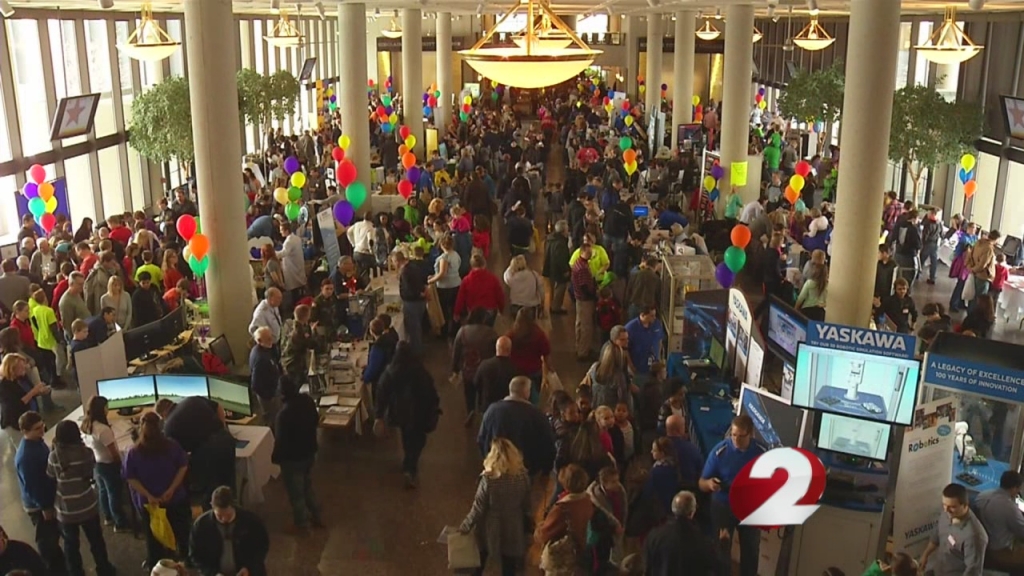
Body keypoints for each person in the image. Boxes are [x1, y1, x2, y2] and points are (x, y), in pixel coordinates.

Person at [699, 414, 767, 576]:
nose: (735, 440)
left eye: (740, 436)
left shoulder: (761, 453)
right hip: (723, 506)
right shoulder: (720, 452)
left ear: (750, 434)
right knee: (722, 550)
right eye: (733, 435)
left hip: (750, 508)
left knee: (750, 551)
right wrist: (709, 484)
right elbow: (701, 483)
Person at [47, 420, 116, 576]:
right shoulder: (86, 453)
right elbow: (90, 472)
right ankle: (104, 568)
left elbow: (50, 475)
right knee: (96, 541)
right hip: (87, 506)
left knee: (71, 545)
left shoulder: (54, 456)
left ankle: (76, 572)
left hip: (65, 509)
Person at [124, 412, 192, 569]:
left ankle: (156, 564)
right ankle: (185, 561)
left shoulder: (133, 452)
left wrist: (148, 495)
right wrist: (172, 489)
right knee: (182, 531)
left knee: (152, 535)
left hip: (150, 504)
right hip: (174, 498)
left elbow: (130, 477)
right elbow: (183, 466)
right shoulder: (172, 446)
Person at [457, 438, 533, 576]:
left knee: (480, 560)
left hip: (490, 526)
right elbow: (526, 504)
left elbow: (478, 508)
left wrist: (466, 525)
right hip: (513, 525)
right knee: (509, 566)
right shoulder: (523, 476)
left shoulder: (489, 479)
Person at [373, 341, 441, 489]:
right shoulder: (419, 370)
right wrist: (434, 406)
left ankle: (408, 463)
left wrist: (379, 415)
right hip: (419, 412)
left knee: (406, 437)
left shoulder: (391, 371)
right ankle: (411, 465)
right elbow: (430, 390)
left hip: (401, 413)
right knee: (419, 440)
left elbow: (381, 392)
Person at [14, 411, 65, 573]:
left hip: (46, 500)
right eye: (37, 429)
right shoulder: (26, 457)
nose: (42, 430)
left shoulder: (36, 442)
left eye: (42, 425)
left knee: (53, 539)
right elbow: (32, 486)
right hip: (40, 507)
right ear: (24, 431)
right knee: (47, 542)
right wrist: (45, 507)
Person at [478, 376, 556, 478]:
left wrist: (489, 460)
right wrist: (545, 471)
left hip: (497, 469)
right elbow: (548, 444)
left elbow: (481, 439)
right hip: (526, 472)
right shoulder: (536, 415)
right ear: (527, 392)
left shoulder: (492, 410)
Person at [272, 375, 322, 533]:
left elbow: (280, 441)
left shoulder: (283, 415)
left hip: (292, 459)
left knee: (296, 494)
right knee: (307, 486)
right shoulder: (307, 401)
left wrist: (275, 458)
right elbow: (316, 420)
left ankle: (302, 524)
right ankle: (316, 515)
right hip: (309, 453)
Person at [189, 486, 270, 576]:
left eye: (228, 515)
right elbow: (195, 556)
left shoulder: (251, 522)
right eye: (219, 515)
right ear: (212, 506)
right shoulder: (201, 526)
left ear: (233, 505)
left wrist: (249, 568)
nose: (224, 519)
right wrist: (212, 574)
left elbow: (261, 548)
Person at [643, 491, 725, 576]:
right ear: (692, 511)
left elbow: (647, 568)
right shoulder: (702, 542)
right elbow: (719, 569)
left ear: (672, 508)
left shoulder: (654, 536)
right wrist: (723, 547)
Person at [534, 464, 594, 574]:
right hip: (579, 551)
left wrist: (539, 528)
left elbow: (546, 533)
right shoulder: (587, 500)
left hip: (562, 556)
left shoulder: (563, 508)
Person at [80, 396, 128, 532]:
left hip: (97, 463)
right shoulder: (103, 430)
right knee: (114, 494)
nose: (108, 409)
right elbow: (113, 453)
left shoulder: (87, 425)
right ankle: (120, 522)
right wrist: (121, 465)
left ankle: (108, 517)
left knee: (103, 491)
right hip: (108, 465)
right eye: (106, 407)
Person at [919, 483, 989, 575]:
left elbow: (972, 571)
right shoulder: (947, 513)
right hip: (939, 570)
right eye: (944, 505)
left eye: (952, 507)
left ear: (965, 505)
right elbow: (936, 536)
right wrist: (925, 554)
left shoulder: (974, 536)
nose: (946, 510)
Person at [452, 308, 498, 426]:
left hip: (468, 369)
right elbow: (497, 352)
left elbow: (456, 351)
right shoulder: (491, 333)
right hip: (486, 370)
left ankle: (470, 411)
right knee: (485, 393)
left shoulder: (462, 331)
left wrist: (455, 369)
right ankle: (484, 416)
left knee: (469, 392)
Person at [973, 470, 1024, 571]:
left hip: (983, 545)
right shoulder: (1010, 508)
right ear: (1014, 488)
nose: (1019, 492)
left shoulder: (982, 496)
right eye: (1019, 489)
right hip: (1000, 551)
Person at [0, 354, 49, 445]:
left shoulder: (22, 378)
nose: (24, 369)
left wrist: (40, 392)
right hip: (15, 423)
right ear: (11, 369)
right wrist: (34, 391)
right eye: (21, 367)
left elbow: (28, 393)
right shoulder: (4, 386)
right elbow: (16, 404)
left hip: (30, 417)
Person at [506, 308, 551, 405]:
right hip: (534, 372)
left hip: (515, 371)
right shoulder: (539, 334)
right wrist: (548, 369)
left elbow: (506, 350)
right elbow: (546, 353)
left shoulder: (512, 334)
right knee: (533, 398)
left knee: (516, 397)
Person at [454, 254, 505, 326]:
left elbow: (460, 297)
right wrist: (501, 308)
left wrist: (457, 312)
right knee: (488, 330)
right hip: (489, 309)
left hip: (473, 310)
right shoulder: (493, 278)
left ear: (471, 265)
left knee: (474, 329)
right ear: (484, 264)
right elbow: (500, 295)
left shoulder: (466, 280)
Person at [427, 233, 462, 338]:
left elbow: (442, 273)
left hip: (445, 287)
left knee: (444, 312)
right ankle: (456, 330)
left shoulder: (444, 257)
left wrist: (431, 280)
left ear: (442, 245)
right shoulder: (456, 255)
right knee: (454, 309)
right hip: (456, 284)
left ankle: (445, 332)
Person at [394, 251, 428, 353]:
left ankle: (416, 354)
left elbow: (409, 289)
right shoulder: (414, 266)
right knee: (417, 328)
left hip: (412, 303)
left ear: (397, 261)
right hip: (420, 302)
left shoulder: (405, 271)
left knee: (413, 330)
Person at [250, 326, 282, 429]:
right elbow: (255, 385)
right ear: (259, 341)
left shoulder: (265, 349)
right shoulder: (261, 359)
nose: (271, 341)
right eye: (268, 339)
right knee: (272, 421)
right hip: (268, 396)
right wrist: (270, 396)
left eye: (271, 337)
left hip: (273, 389)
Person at [572, 244, 598, 361]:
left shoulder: (579, 263)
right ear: (582, 252)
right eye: (589, 252)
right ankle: (583, 353)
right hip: (584, 300)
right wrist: (593, 296)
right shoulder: (582, 268)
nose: (591, 254)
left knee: (580, 324)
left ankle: (580, 347)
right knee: (586, 327)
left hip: (579, 299)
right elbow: (584, 286)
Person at [281, 303, 318, 384]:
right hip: (294, 364)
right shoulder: (299, 332)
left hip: (287, 362)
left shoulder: (288, 324)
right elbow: (310, 344)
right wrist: (313, 332)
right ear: (306, 316)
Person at [543, 220, 572, 315]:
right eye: (567, 229)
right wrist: (565, 270)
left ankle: (552, 304)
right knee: (560, 288)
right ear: (563, 231)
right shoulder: (560, 243)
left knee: (552, 288)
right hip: (558, 270)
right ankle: (556, 307)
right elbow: (560, 258)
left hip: (550, 267)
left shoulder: (551, 238)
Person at [277, 221, 306, 304]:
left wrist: (273, 253)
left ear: (286, 231)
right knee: (298, 285)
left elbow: (284, 253)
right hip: (297, 265)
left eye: (281, 230)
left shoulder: (289, 241)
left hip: (292, 267)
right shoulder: (296, 238)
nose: (280, 232)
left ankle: (295, 304)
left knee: (294, 289)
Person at [625, 257, 661, 322]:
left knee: (632, 327)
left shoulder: (635, 274)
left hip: (634, 305)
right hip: (647, 309)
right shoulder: (656, 278)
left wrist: (625, 305)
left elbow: (628, 290)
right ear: (655, 266)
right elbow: (658, 295)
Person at [967, 229, 1001, 300]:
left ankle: (971, 310)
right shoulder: (989, 248)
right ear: (996, 239)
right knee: (980, 298)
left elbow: (970, 255)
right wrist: (974, 270)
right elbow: (982, 265)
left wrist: (971, 268)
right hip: (983, 276)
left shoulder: (978, 243)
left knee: (973, 296)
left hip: (975, 273)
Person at [59, 272, 90, 342]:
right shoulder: (66, 302)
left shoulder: (77, 293)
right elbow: (68, 326)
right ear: (71, 284)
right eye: (79, 284)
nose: (82, 286)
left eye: (83, 283)